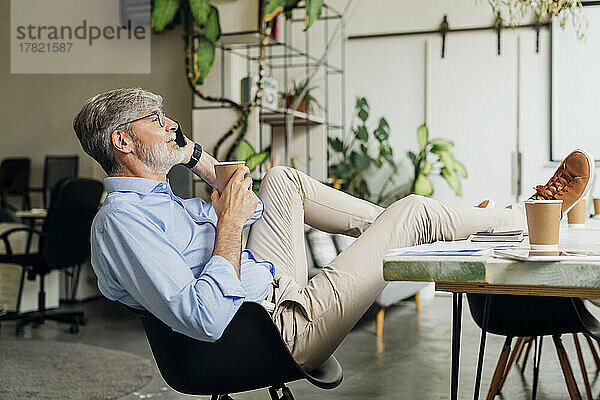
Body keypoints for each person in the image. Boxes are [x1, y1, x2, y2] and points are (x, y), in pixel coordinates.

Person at [73, 87, 594, 371]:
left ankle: (447, 226)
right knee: (410, 211)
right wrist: (228, 220)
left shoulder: (166, 199)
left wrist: (201, 164)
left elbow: (254, 206)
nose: (169, 124)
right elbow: (205, 317)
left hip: (274, 286)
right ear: (122, 141)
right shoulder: (121, 222)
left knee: (281, 179)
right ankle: (527, 211)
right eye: (154, 118)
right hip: (274, 332)